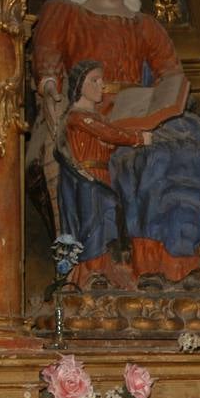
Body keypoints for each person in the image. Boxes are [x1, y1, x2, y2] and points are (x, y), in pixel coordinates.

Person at [31, 0, 200, 287]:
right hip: (93, 113)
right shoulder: (65, 13)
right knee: (143, 159)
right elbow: (48, 59)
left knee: (184, 148)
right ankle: (126, 264)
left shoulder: (146, 25)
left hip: (139, 109)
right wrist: (51, 87)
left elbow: (171, 74)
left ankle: (169, 262)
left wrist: (166, 104)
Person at [59, 59, 153, 288]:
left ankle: (104, 271)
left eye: (102, 80)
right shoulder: (77, 116)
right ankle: (90, 273)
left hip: (102, 175)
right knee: (93, 222)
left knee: (108, 219)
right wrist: (138, 138)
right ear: (80, 85)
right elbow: (106, 133)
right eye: (94, 80)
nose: (101, 85)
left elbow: (107, 138)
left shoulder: (97, 118)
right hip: (86, 178)